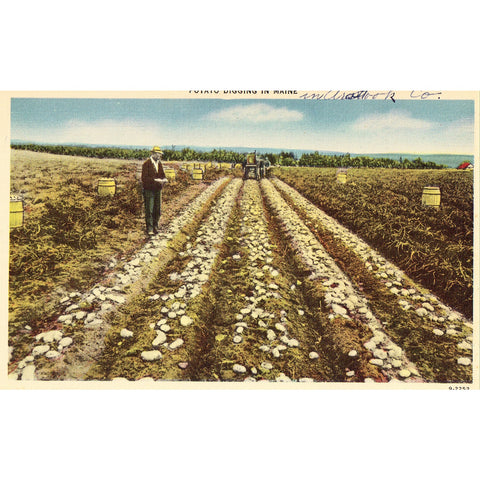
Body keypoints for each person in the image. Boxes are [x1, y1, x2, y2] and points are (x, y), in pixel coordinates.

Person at [141, 146, 168, 235]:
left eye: (160, 154)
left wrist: (164, 179)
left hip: (157, 189)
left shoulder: (159, 164)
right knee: (149, 209)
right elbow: (144, 178)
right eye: (158, 154)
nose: (159, 156)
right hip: (149, 190)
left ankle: (156, 226)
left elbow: (162, 174)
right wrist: (155, 180)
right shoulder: (146, 164)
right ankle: (149, 228)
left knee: (157, 209)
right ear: (153, 154)